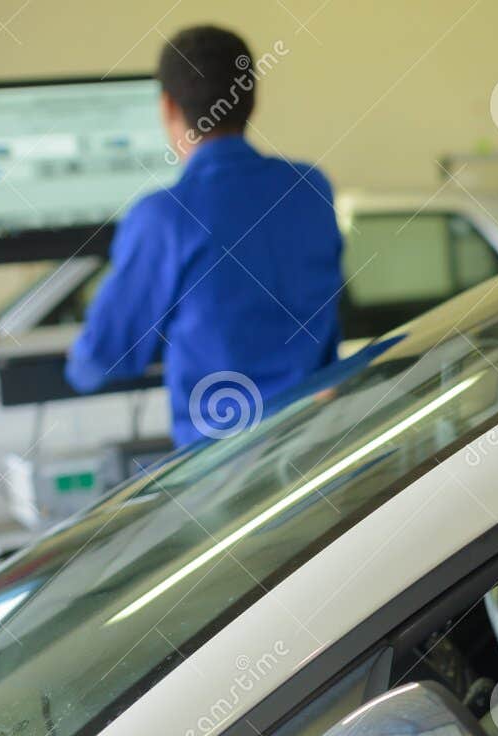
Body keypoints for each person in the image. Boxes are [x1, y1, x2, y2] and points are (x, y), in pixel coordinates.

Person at [65, 25, 343, 446]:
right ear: (252, 99)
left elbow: (100, 360)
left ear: (167, 107)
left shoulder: (162, 218)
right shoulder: (310, 187)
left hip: (222, 476)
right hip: (323, 445)